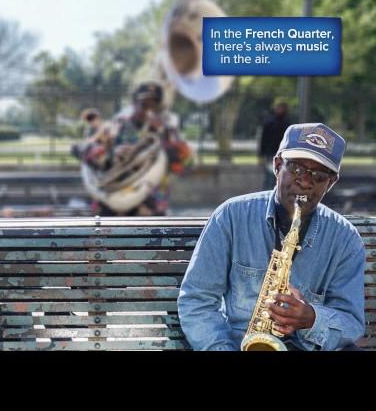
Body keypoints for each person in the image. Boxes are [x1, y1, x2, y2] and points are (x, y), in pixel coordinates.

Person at [178, 123, 365, 351]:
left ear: (331, 183)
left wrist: (312, 318)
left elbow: (352, 323)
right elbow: (197, 302)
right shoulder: (231, 216)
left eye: (318, 176)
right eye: (296, 168)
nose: (305, 182)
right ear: (277, 165)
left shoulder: (345, 238)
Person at [79, 80, 192, 216]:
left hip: (151, 207)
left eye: (155, 106)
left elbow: (186, 165)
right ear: (134, 103)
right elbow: (86, 152)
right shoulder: (116, 125)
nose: (149, 111)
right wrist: (111, 153)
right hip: (110, 207)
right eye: (144, 105)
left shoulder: (169, 131)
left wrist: (162, 134)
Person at [259, 101, 291, 190]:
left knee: (281, 177)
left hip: (283, 154)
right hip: (271, 154)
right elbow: (264, 140)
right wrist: (262, 155)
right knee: (269, 177)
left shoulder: (287, 123)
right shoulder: (269, 123)